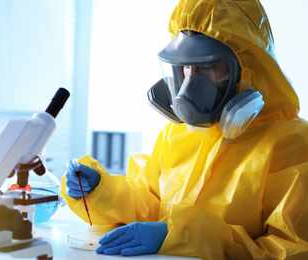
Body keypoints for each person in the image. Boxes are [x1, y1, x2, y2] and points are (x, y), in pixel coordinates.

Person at [61, 0, 308, 259]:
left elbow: (292, 249)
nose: (190, 80)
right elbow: (151, 204)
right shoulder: (177, 134)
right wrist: (101, 191)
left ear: (247, 68)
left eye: (207, 66)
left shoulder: (292, 144)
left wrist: (180, 236)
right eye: (186, 66)